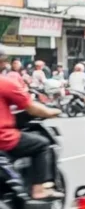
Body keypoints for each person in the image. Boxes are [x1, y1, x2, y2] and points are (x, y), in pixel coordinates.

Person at [0, 53, 62, 199]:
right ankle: (39, 190)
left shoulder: (18, 78)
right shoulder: (5, 82)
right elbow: (31, 107)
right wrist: (51, 112)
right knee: (42, 144)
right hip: (4, 138)